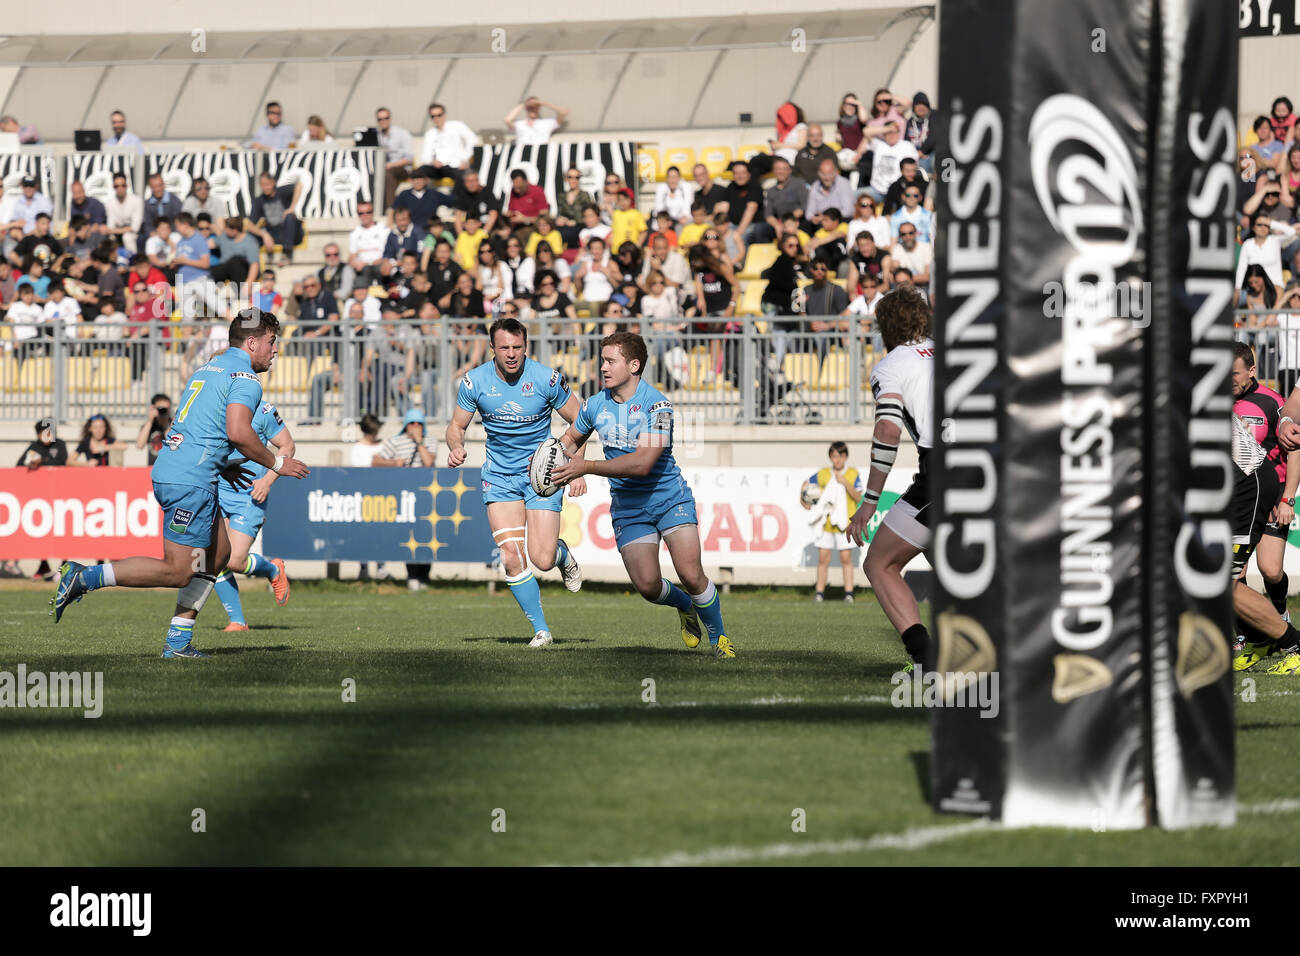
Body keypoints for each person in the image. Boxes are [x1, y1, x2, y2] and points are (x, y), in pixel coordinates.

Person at [51, 309, 311, 659]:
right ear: (252, 342)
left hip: (182, 468)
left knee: (219, 555)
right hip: (190, 480)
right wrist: (278, 462)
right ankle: (84, 577)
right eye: (270, 342)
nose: (274, 349)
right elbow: (238, 431)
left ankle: (178, 642)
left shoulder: (209, 368)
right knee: (178, 570)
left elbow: (203, 425)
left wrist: (224, 463)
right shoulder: (247, 379)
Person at [550, 331, 734, 659]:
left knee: (691, 574)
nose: (603, 367)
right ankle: (684, 607)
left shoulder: (658, 404)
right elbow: (570, 440)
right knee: (648, 586)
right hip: (629, 508)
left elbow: (643, 463)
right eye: (602, 360)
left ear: (634, 365)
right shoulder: (593, 404)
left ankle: (719, 640)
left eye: (610, 361)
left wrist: (586, 466)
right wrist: (556, 461)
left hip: (669, 498)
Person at [444, 318, 586, 646]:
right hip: (499, 477)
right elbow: (456, 426)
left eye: (517, 347)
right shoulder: (473, 381)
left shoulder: (546, 379)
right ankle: (541, 630)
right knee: (510, 553)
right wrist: (456, 446)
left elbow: (580, 420)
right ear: (492, 348)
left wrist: (577, 466)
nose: (511, 354)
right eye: (504, 347)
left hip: (542, 476)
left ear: (526, 347)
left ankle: (561, 555)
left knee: (542, 558)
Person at [844, 287, 935, 672]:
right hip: (995, 462)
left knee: (879, 564)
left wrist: (869, 502)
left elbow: (888, 430)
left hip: (947, 472)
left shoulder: (891, 365)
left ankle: (927, 660)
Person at [1229, 344, 1299, 664]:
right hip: (1236, 495)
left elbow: (1294, 446)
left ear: (1252, 371)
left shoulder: (1273, 402)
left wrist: (1286, 498)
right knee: (1235, 575)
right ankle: (1252, 638)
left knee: (1270, 571)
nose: (1229, 380)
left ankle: (1282, 625)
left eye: (1235, 374)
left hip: (1265, 494)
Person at [212, 400, 295, 630]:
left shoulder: (263, 410)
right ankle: (237, 621)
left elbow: (287, 446)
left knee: (234, 560)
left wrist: (267, 481)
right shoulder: (213, 405)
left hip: (249, 495)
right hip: (216, 490)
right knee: (215, 559)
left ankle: (273, 570)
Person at [802, 442, 865, 601]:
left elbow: (858, 497)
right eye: (835, 456)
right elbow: (806, 486)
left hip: (846, 522)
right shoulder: (823, 473)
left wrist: (844, 482)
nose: (838, 460)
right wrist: (804, 500)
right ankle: (819, 593)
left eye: (841, 456)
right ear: (831, 457)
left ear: (846, 457)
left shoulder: (852, 473)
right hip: (826, 523)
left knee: (846, 558)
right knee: (823, 558)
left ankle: (849, 594)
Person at [248, 172, 304, 267]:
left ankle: (286, 254)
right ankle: (251, 260)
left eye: (267, 184)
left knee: (290, 217)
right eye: (263, 185)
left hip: (292, 233)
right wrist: (264, 235)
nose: (265, 188)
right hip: (275, 234)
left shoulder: (282, 191)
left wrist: (292, 207)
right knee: (250, 234)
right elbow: (249, 225)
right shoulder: (259, 201)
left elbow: (299, 185)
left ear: (273, 182)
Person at [419, 103, 478, 186]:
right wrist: (432, 162)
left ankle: (456, 198)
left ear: (444, 115)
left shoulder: (457, 126)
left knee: (463, 178)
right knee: (418, 173)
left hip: (456, 165)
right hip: (438, 167)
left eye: (439, 115)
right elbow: (425, 155)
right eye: (433, 116)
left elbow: (473, 140)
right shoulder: (430, 133)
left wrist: (466, 159)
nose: (436, 118)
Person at [504, 96, 569, 143]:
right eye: (530, 108)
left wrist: (544, 103)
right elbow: (507, 120)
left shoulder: (547, 123)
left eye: (535, 107)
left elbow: (564, 113)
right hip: (522, 152)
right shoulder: (520, 124)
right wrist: (524, 105)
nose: (533, 109)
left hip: (539, 152)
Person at [135, 393, 172, 465]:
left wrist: (167, 424)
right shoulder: (149, 426)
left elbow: (172, 444)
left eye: (166, 409)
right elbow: (139, 445)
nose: (163, 411)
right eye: (160, 409)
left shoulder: (173, 425)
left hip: (169, 467)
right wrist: (150, 421)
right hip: (152, 467)